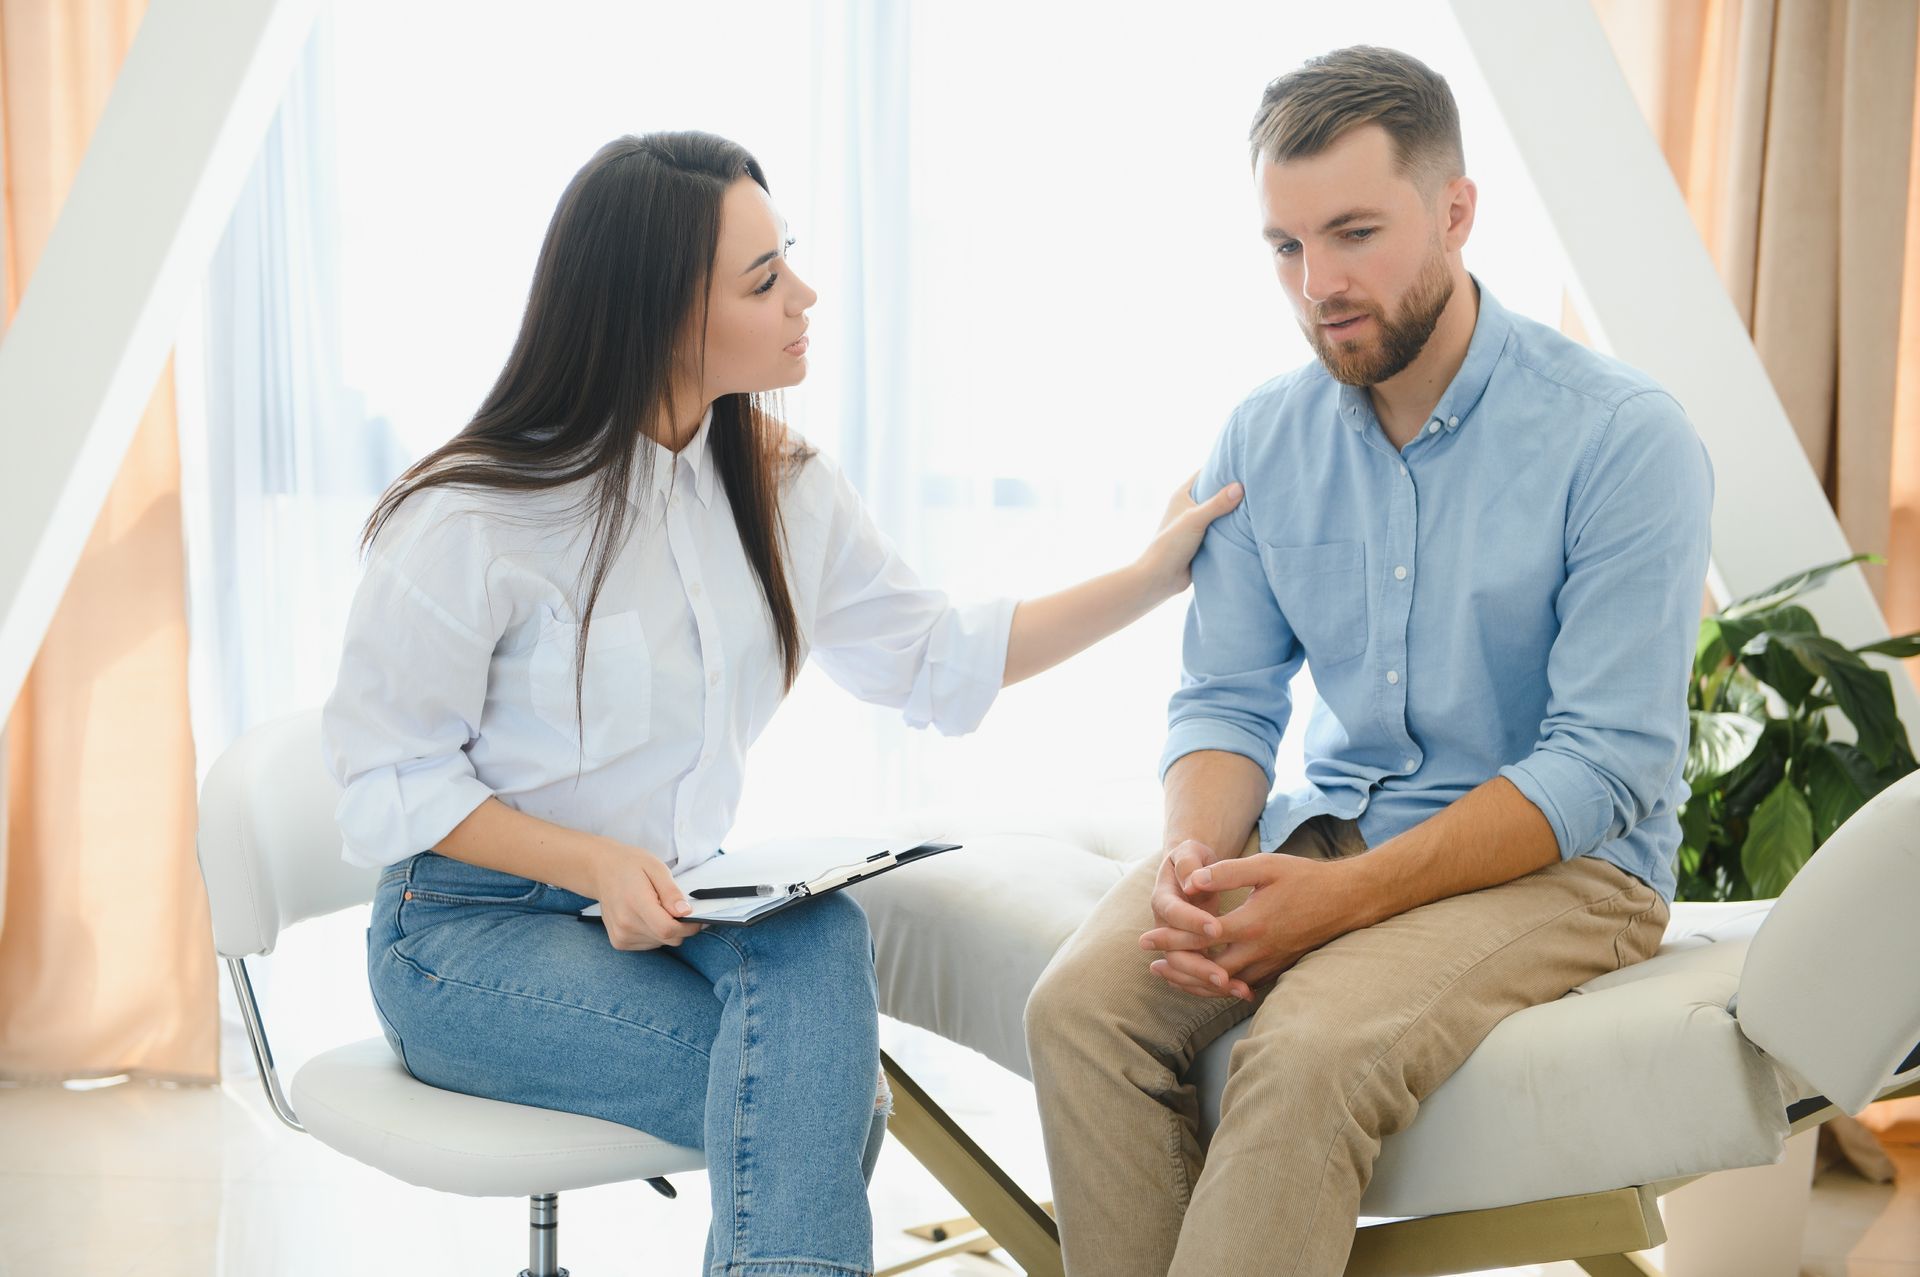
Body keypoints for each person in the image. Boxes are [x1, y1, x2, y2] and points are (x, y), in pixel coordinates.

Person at [320, 131, 1241, 1277]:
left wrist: (1152, 575)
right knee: (820, 1093)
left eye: (787, 258)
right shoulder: (473, 516)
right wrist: (593, 863)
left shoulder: (778, 482)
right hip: (466, 935)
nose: (803, 296)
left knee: (818, 937)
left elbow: (937, 658)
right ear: (660, 315)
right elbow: (386, 781)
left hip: (672, 907)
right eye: (762, 281)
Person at [1024, 45, 1714, 1277]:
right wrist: (1193, 856)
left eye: (1353, 234)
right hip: (1334, 824)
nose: (1318, 285)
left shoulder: (1622, 438)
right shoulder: (1264, 434)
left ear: (1455, 211)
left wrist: (1341, 901)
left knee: (1308, 1050)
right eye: (1286, 246)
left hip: (1564, 870)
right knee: (1078, 1006)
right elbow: (1228, 695)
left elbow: (1604, 764)